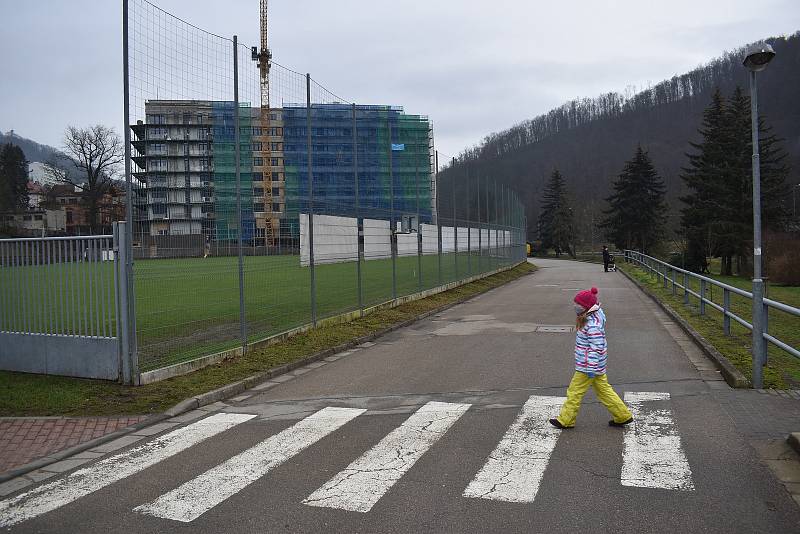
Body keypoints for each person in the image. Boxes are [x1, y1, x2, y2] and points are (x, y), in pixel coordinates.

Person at [549, 287, 633, 429]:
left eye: (578, 305)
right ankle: (622, 415)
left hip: (588, 366)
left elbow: (597, 347)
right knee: (604, 391)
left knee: (574, 391)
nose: (575, 307)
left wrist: (591, 367)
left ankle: (566, 420)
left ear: (587, 307)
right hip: (595, 366)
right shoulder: (594, 316)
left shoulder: (591, 324)